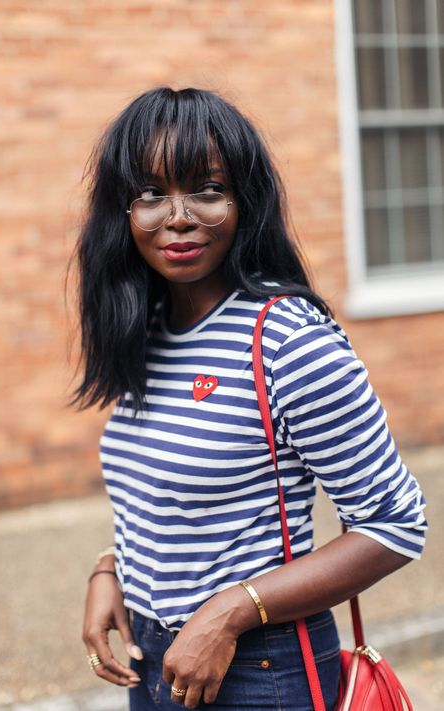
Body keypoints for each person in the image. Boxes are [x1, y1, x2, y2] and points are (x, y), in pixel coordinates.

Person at [74, 87, 426, 711]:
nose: (176, 216)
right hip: (153, 663)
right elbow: (173, 498)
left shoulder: (288, 342)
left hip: (259, 665)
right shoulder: (145, 332)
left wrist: (231, 612)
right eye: (151, 193)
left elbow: (395, 525)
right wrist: (112, 568)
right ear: (121, 211)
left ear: (245, 201)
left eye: (206, 188)